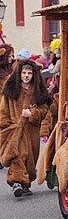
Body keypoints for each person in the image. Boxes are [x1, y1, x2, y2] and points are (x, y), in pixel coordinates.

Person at [0, 59, 48, 197]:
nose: (26, 76)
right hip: (14, 129)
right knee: (17, 155)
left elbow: (44, 110)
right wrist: (5, 127)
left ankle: (25, 183)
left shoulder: (38, 90)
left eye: (29, 73)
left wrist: (32, 114)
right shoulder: (10, 89)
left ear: (34, 75)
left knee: (30, 158)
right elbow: (3, 110)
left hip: (32, 130)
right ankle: (16, 182)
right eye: (24, 72)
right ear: (19, 73)